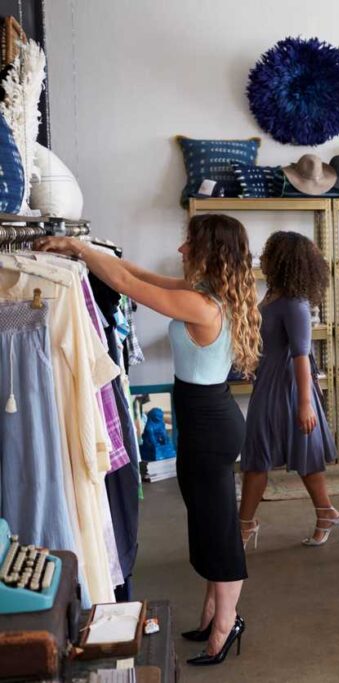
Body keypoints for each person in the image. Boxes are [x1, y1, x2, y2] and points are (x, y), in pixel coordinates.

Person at [36, 214, 262, 666]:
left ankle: (226, 623)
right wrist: (93, 255)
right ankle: (213, 611)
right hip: (203, 421)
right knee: (206, 523)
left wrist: (76, 248)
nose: (181, 250)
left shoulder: (204, 307)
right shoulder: (206, 295)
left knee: (218, 529)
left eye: (188, 243)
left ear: (209, 250)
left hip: (210, 428)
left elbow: (124, 282)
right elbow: (133, 273)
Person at [238, 231, 339, 548]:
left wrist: (306, 404)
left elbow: (301, 355)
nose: (262, 258)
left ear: (282, 260)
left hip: (290, 389)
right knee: (259, 453)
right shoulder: (273, 296)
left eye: (269, 253)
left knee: (294, 455)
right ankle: (324, 513)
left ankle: (244, 525)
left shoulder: (294, 303)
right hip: (269, 383)